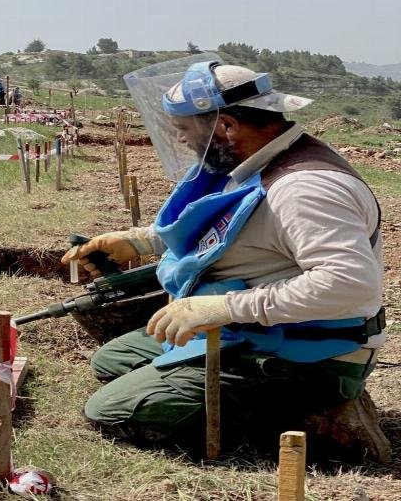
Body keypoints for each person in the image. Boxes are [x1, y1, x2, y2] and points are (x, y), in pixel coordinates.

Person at [61, 55, 389, 461]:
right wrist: (139, 241)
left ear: (227, 126)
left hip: (306, 355)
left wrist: (225, 307)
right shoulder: (258, 160)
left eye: (185, 130)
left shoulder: (305, 189)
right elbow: (233, 226)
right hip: (250, 334)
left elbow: (349, 284)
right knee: (112, 360)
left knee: (111, 411)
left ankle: (314, 425)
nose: (180, 141)